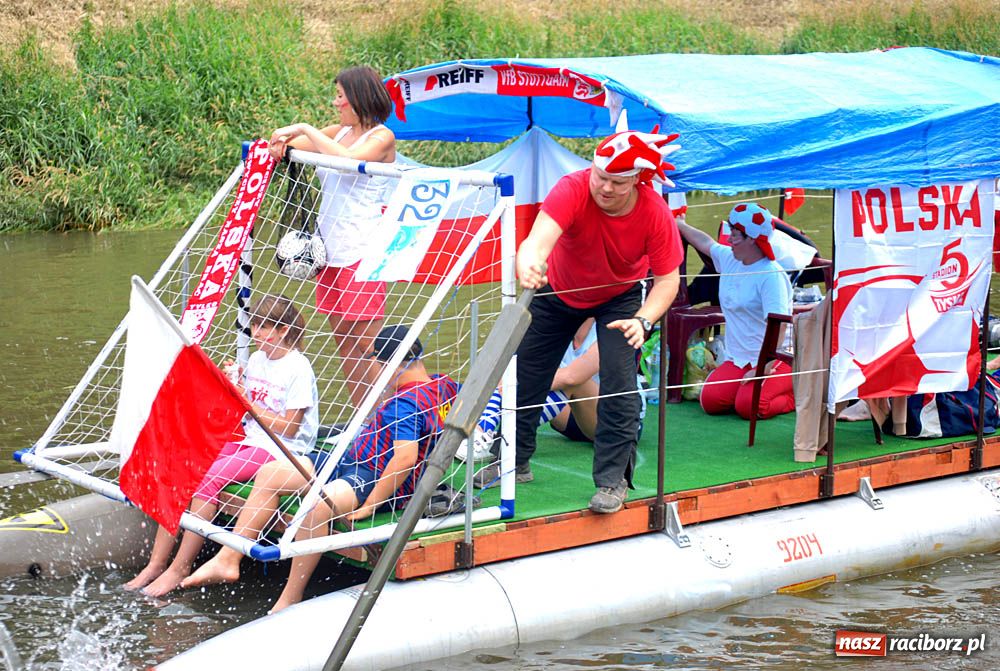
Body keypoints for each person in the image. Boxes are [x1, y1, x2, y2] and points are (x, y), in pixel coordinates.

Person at [181, 325, 458, 613]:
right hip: (347, 459)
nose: (372, 371)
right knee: (272, 472)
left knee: (317, 505)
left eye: (374, 362)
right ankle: (229, 558)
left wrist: (370, 504)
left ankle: (290, 597)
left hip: (370, 476)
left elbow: (404, 459)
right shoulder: (443, 384)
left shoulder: (405, 405)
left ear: (389, 364)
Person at [477, 128, 683, 515]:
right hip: (557, 288)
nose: (605, 187)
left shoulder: (654, 212)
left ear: (636, 181)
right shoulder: (572, 188)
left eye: (617, 182)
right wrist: (529, 266)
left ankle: (612, 481)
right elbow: (535, 243)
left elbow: (668, 280)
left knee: (620, 384)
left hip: (620, 298)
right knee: (527, 374)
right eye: (600, 175)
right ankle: (512, 462)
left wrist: (644, 319)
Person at [125, 295, 318, 596]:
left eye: (265, 326)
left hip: (283, 449)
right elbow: (247, 407)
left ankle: (180, 568)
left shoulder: (298, 368)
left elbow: (290, 428)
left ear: (284, 330)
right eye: (254, 324)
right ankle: (156, 563)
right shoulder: (256, 360)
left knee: (209, 478)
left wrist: (246, 400)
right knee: (184, 468)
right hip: (253, 438)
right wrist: (236, 385)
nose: (257, 333)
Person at [268, 65, 396, 407]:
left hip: (363, 252)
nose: (336, 102)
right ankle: (360, 423)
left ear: (358, 98)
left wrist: (304, 128)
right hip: (328, 252)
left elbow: (350, 160)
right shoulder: (337, 132)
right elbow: (291, 143)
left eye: (340, 96)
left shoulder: (381, 137)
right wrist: (282, 140)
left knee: (368, 346)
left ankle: (390, 421)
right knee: (344, 342)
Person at [678, 203, 794, 420]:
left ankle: (794, 394)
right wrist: (680, 224)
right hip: (739, 358)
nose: (729, 240)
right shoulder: (731, 259)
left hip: (774, 358)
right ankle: (747, 389)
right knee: (710, 401)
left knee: (749, 407)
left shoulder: (771, 276)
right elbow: (705, 243)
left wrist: (764, 365)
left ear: (752, 239)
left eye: (734, 235)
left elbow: (779, 325)